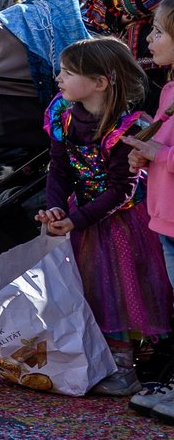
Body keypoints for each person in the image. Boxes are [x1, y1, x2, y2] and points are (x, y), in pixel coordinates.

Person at [40, 37, 169, 398]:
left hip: (121, 223)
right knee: (89, 292)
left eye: (68, 72)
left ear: (99, 82)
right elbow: (58, 169)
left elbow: (121, 190)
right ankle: (97, 359)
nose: (59, 78)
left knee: (120, 294)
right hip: (82, 217)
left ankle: (125, 367)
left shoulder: (127, 127)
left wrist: (77, 219)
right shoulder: (64, 117)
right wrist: (56, 207)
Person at [121, 0, 174, 418]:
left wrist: (158, 152)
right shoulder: (169, 90)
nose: (150, 37)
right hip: (165, 215)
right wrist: (148, 155)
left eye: (158, 31)